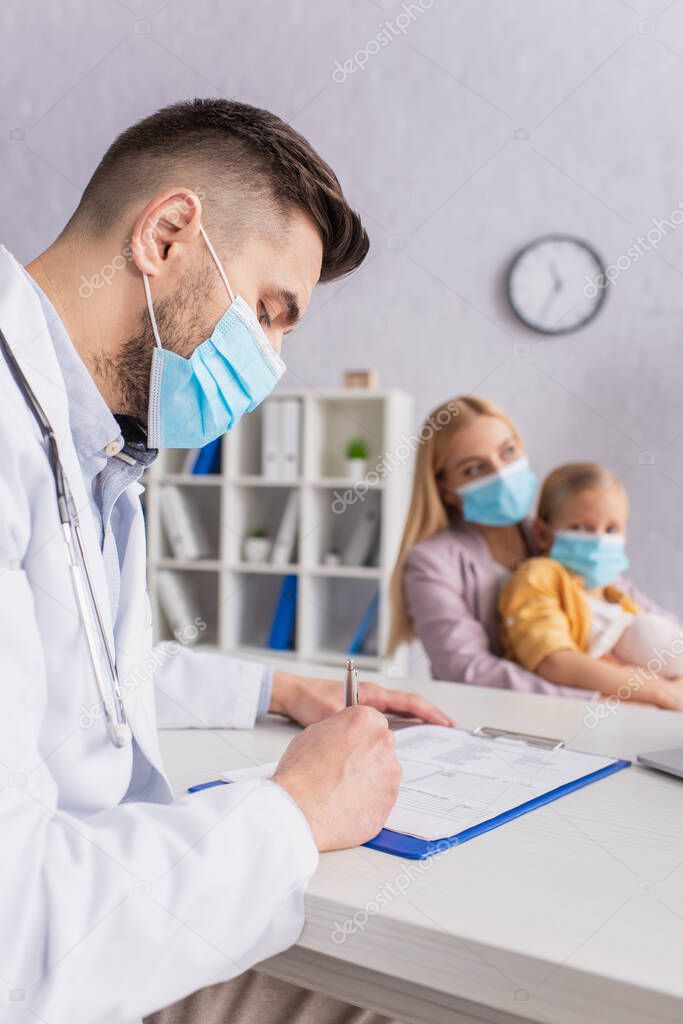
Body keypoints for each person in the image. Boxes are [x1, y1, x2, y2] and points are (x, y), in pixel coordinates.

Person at [0, 98, 453, 1024]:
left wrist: (277, 690)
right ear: (166, 235)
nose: (273, 363)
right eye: (268, 313)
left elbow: (71, 672)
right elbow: (16, 940)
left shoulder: (85, 447)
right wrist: (293, 812)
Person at [388, 395, 595, 698]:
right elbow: (467, 671)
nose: (500, 473)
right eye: (474, 469)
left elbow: (624, 601)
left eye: (508, 452)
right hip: (485, 723)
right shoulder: (430, 563)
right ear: (445, 490)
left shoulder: (551, 535)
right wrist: (602, 697)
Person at [498, 461, 683, 709]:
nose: (598, 540)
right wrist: (658, 691)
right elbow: (554, 661)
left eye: (611, 529)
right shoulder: (537, 576)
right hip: (587, 711)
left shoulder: (615, 592)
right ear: (542, 534)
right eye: (579, 527)